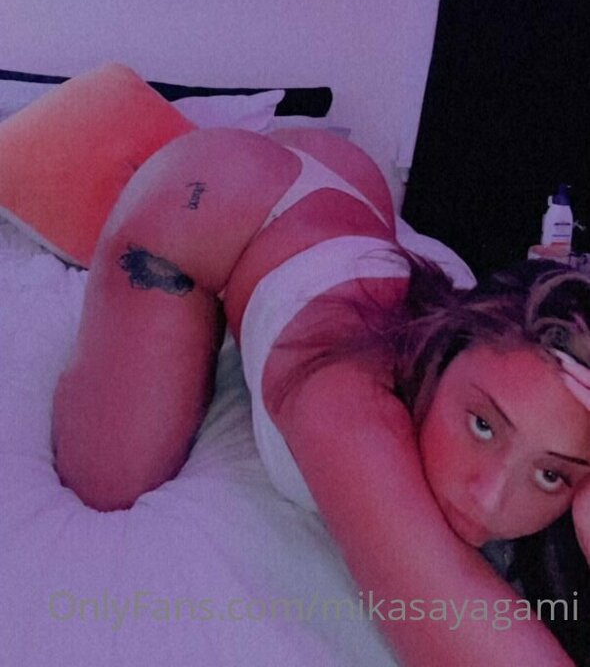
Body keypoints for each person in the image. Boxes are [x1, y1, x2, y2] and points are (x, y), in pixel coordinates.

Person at [50, 126, 590, 666]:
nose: (489, 499)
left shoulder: (496, 371)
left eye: (551, 474)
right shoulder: (347, 403)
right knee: (107, 480)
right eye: (483, 425)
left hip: (350, 190)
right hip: (200, 200)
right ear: (448, 346)